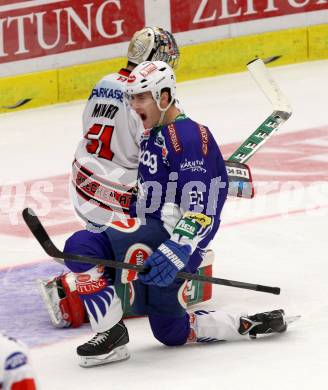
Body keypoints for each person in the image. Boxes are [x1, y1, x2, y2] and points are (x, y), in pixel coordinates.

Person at [62, 60, 289, 368]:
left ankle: (242, 324)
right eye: (131, 97)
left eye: (141, 97)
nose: (133, 105)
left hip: (174, 242)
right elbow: (158, 196)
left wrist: (177, 249)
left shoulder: (189, 136)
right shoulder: (153, 134)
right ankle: (113, 335)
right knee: (168, 329)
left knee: (86, 249)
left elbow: (203, 208)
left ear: (164, 97)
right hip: (154, 232)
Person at [38, 27, 211, 329]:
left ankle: (89, 266)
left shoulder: (103, 82)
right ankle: (73, 288)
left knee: (101, 243)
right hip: (119, 197)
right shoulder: (144, 98)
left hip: (83, 184)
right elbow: (158, 156)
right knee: (171, 223)